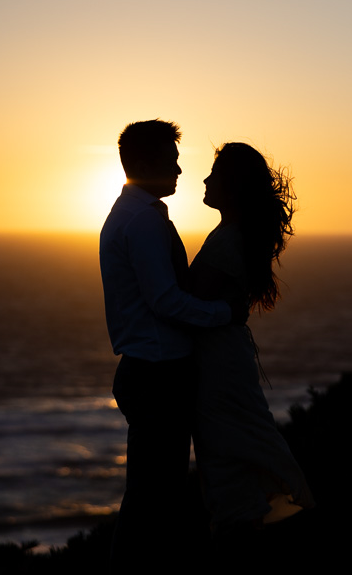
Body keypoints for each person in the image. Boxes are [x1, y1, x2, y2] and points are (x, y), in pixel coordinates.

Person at [99, 120, 243, 574]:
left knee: (158, 494)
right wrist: (225, 313)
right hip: (157, 373)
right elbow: (164, 300)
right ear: (142, 164)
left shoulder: (137, 214)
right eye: (170, 160)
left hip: (151, 372)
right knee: (151, 497)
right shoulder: (141, 220)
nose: (180, 169)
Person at [189, 142, 315, 556]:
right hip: (228, 359)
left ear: (233, 185)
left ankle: (245, 550)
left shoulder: (226, 240)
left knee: (225, 457)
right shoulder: (235, 236)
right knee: (239, 452)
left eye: (214, 174)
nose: (206, 180)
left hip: (219, 367)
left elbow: (186, 305)